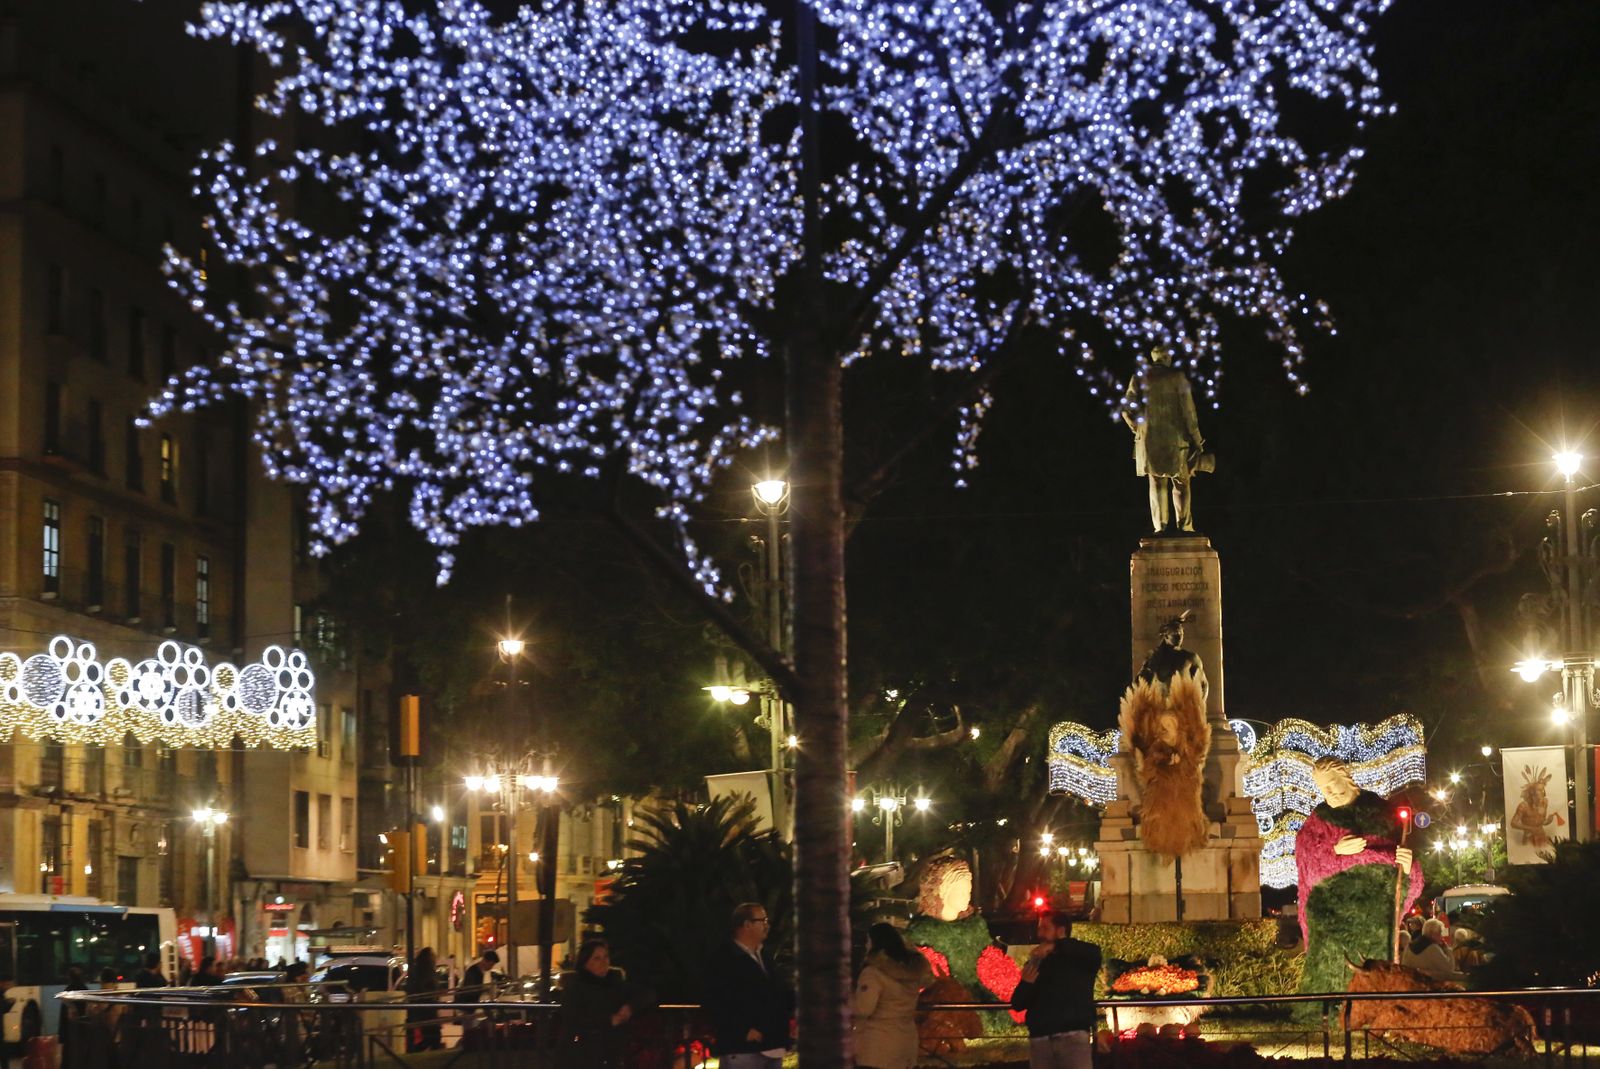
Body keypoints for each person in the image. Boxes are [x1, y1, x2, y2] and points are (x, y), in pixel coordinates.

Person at [1294, 757, 1422, 998]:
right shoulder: (1317, 823)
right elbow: (1308, 870)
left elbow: (1409, 878)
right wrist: (1335, 852)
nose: (1329, 792)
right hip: (1332, 923)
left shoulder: (1384, 814)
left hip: (1375, 921)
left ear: (1346, 777)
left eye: (1332, 784)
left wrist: (1408, 868)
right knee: (1335, 984)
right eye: (1323, 789)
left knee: (1374, 983)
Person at [1122, 345, 1206, 533]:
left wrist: (1139, 430)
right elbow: (1189, 412)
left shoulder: (1139, 378)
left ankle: (1160, 527)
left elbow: (1126, 410)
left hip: (1148, 441)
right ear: (1167, 358)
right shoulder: (1177, 378)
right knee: (1181, 482)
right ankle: (1184, 526)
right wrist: (1197, 440)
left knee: (1156, 483)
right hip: (1177, 440)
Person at [704, 902, 794, 1068]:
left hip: (772, 1044)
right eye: (763, 920)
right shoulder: (724, 959)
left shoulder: (764, 956)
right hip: (743, 1048)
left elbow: (776, 993)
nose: (767, 925)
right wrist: (743, 1030)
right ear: (747, 924)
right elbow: (716, 999)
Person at [1010, 911, 1102, 1069]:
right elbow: (1018, 1003)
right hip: (1041, 1040)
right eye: (1039, 928)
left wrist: (1056, 946)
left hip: (1072, 1038)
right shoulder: (1036, 962)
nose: (1040, 933)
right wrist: (1026, 984)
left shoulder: (1080, 958)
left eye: (1045, 928)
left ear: (1061, 931)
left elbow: (1094, 953)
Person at [853, 923, 934, 1069]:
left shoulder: (873, 973)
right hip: (906, 1042)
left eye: (868, 941)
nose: (866, 945)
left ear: (876, 944)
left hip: (877, 1047)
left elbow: (864, 1008)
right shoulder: (911, 972)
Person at [556, 938, 646, 1068]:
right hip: (581, 1054)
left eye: (606, 957)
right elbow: (574, 1018)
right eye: (596, 958)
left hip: (610, 1053)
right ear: (585, 962)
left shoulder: (614, 983)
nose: (603, 962)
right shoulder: (575, 987)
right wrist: (609, 1020)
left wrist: (630, 1007)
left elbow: (646, 993)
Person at [404, 947, 443, 1052]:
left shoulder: (422, 971)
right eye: (432, 955)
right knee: (430, 1038)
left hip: (426, 1011)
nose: (435, 957)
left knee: (431, 1038)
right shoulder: (425, 972)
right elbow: (423, 990)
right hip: (425, 1011)